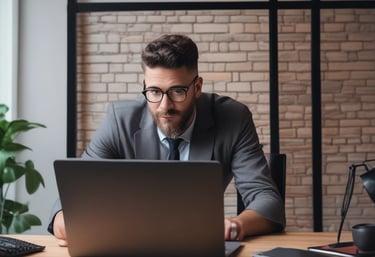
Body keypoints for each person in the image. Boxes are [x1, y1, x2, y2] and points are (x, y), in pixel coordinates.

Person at [48, 34, 285, 246]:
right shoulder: (120, 121)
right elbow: (68, 203)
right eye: (153, 91)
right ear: (144, 86)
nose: (164, 106)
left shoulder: (233, 117)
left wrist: (236, 225)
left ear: (198, 86)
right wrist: (70, 224)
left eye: (177, 92)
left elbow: (267, 200)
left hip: (200, 249)